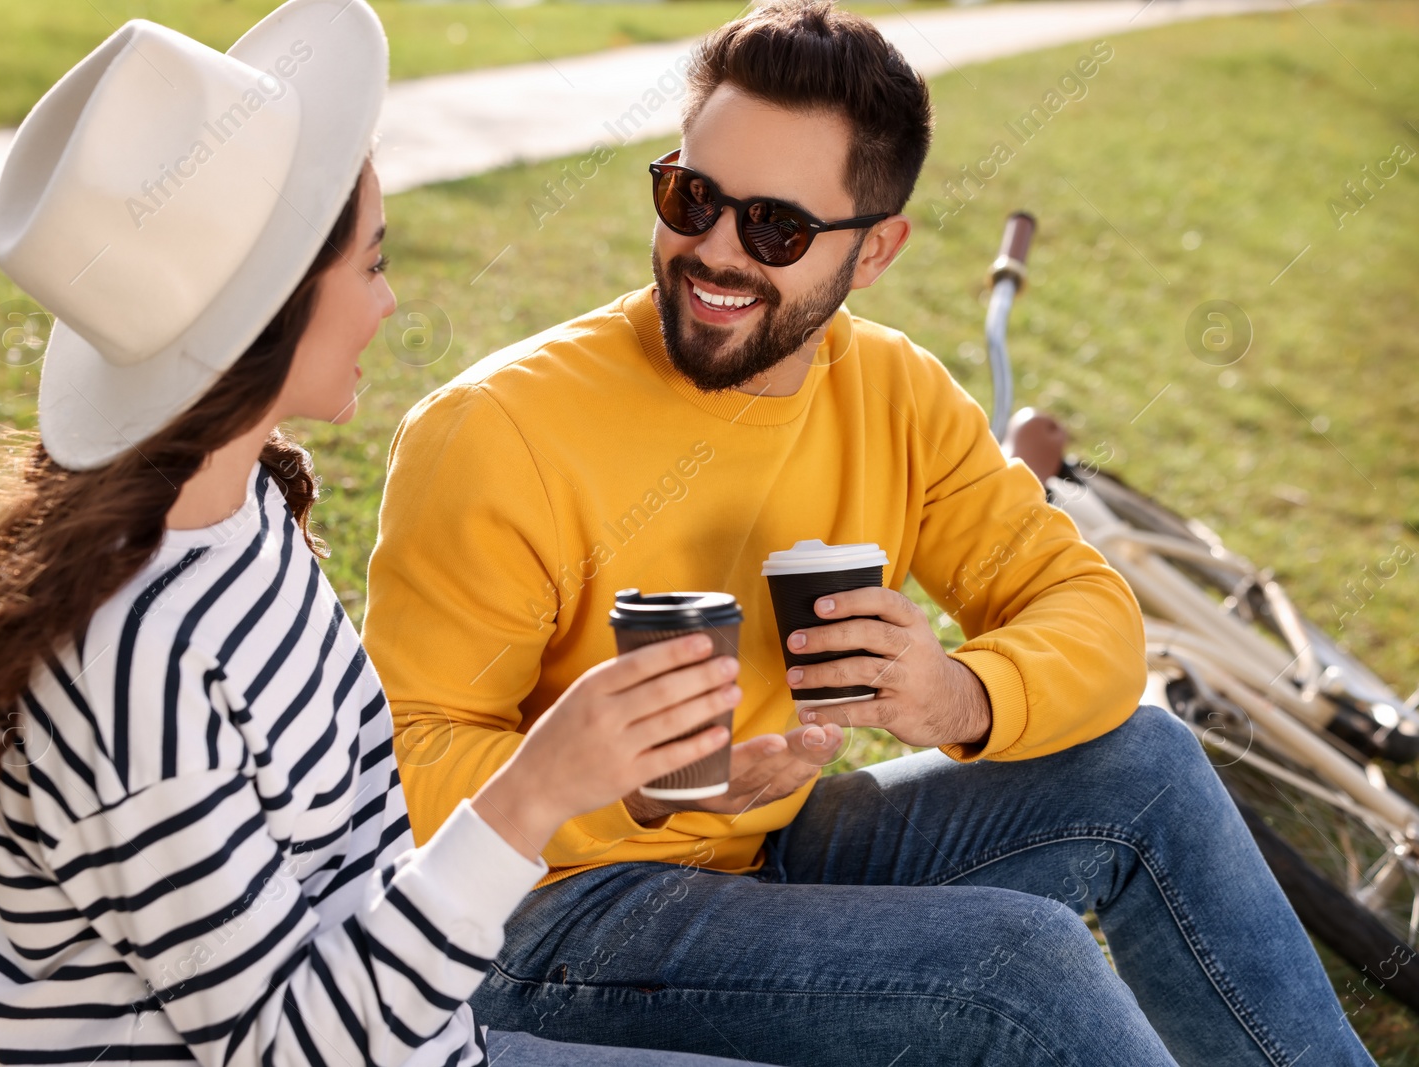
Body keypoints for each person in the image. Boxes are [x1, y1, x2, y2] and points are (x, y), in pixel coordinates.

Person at [362, 2, 1380, 1064]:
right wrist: (628, 783)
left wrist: (959, 695)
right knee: (1016, 965)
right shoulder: (496, 429)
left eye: (775, 228)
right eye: (690, 196)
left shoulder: (892, 392)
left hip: (765, 846)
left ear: (876, 249)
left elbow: (1087, 609)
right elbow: (399, 766)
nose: (713, 251)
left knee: (1150, 766)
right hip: (544, 915)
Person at [0, 4, 780, 1066]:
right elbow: (290, 1050)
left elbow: (344, 847)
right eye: (371, 262)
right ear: (269, 312)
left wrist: (597, 777)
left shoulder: (239, 504)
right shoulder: (134, 669)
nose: (392, 301)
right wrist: (531, 790)